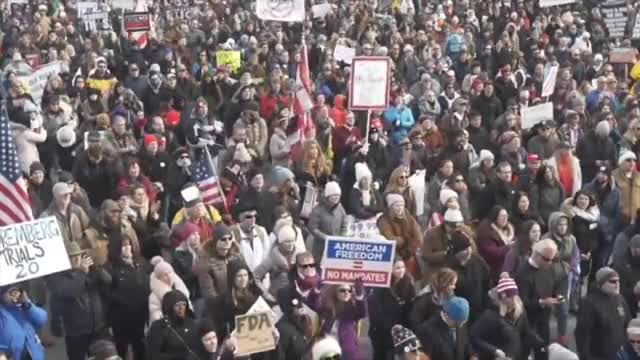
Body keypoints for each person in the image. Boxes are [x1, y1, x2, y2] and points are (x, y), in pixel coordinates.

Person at [48, 242, 111, 360]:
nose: (76, 259)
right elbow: (69, 291)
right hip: (76, 331)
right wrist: (81, 273)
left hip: (98, 327)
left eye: (78, 255)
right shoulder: (57, 277)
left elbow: (108, 280)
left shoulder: (88, 270)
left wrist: (96, 267)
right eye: (71, 257)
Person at [470, 274, 544, 360]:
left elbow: (526, 331)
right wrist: (494, 350)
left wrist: (542, 343)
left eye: (515, 296)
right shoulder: (490, 315)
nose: (514, 300)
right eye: (511, 297)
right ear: (503, 297)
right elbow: (474, 337)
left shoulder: (520, 310)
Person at [514, 239, 563, 359]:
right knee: (523, 352)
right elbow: (522, 301)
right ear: (536, 254)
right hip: (527, 321)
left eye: (553, 259)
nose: (550, 263)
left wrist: (558, 295)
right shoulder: (523, 272)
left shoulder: (549, 267)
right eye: (546, 259)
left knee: (542, 350)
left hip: (544, 318)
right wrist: (542, 302)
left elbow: (555, 284)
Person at [104, 235, 150, 360]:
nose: (127, 248)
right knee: (121, 347)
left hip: (140, 313)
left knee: (140, 345)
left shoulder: (140, 262)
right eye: (124, 245)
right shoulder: (110, 267)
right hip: (121, 317)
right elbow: (107, 294)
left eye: (129, 244)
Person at [576, 267, 631, 360]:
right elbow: (582, 334)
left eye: (618, 281)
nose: (617, 284)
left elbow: (628, 325)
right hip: (599, 356)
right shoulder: (589, 303)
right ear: (601, 284)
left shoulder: (620, 299)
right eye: (612, 281)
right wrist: (586, 357)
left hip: (619, 354)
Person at [368, 258, 417, 360]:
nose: (401, 270)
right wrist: (388, 326)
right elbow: (375, 310)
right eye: (398, 268)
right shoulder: (380, 286)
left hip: (400, 330)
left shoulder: (408, 284)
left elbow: (411, 307)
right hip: (382, 331)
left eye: (403, 267)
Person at [446, 230, 492, 323]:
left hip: (481, 309)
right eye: (464, 249)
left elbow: (487, 281)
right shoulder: (450, 268)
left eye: (469, 248)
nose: (468, 251)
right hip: (462, 314)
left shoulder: (478, 261)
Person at [318, 280, 368, 360]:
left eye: (349, 290)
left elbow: (362, 312)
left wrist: (359, 296)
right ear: (335, 292)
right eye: (342, 290)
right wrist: (316, 292)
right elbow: (314, 306)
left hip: (349, 354)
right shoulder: (328, 309)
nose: (346, 293)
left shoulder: (352, 310)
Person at [378, 193, 423, 277]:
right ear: (390, 207)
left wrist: (410, 246)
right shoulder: (383, 220)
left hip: (409, 253)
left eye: (402, 205)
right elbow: (390, 237)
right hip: (393, 256)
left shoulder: (409, 218)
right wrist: (404, 240)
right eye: (397, 206)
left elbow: (418, 237)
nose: (400, 208)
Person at [146, 290, 199, 360]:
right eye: (177, 305)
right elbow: (153, 355)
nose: (181, 308)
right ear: (169, 307)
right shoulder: (159, 327)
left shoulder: (192, 323)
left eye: (183, 304)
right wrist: (180, 357)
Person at [197, 223, 244, 303]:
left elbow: (248, 279)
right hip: (220, 304)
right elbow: (209, 293)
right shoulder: (206, 261)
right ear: (215, 241)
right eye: (223, 239)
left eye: (230, 238)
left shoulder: (237, 256)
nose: (227, 242)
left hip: (241, 300)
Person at [0, 284, 47, 360]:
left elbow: (42, 319)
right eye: (9, 292)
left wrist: (28, 304)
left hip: (34, 353)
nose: (13, 295)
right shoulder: (2, 312)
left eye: (15, 291)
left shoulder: (25, 307)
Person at [308, 181, 348, 262]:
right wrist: (326, 238)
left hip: (336, 246)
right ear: (328, 196)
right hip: (320, 247)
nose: (336, 197)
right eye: (333, 195)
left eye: (338, 195)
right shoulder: (318, 210)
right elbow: (313, 228)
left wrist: (343, 236)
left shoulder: (340, 208)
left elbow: (344, 223)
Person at [476, 206, 514, 281]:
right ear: (495, 216)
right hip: (493, 267)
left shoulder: (508, 229)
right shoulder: (486, 230)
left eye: (506, 216)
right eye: (502, 216)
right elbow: (491, 252)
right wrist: (509, 247)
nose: (505, 219)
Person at [149, 256, 191, 322]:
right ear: (159, 278)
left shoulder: (179, 288)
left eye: (170, 272)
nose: (169, 276)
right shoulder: (154, 297)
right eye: (164, 275)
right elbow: (156, 317)